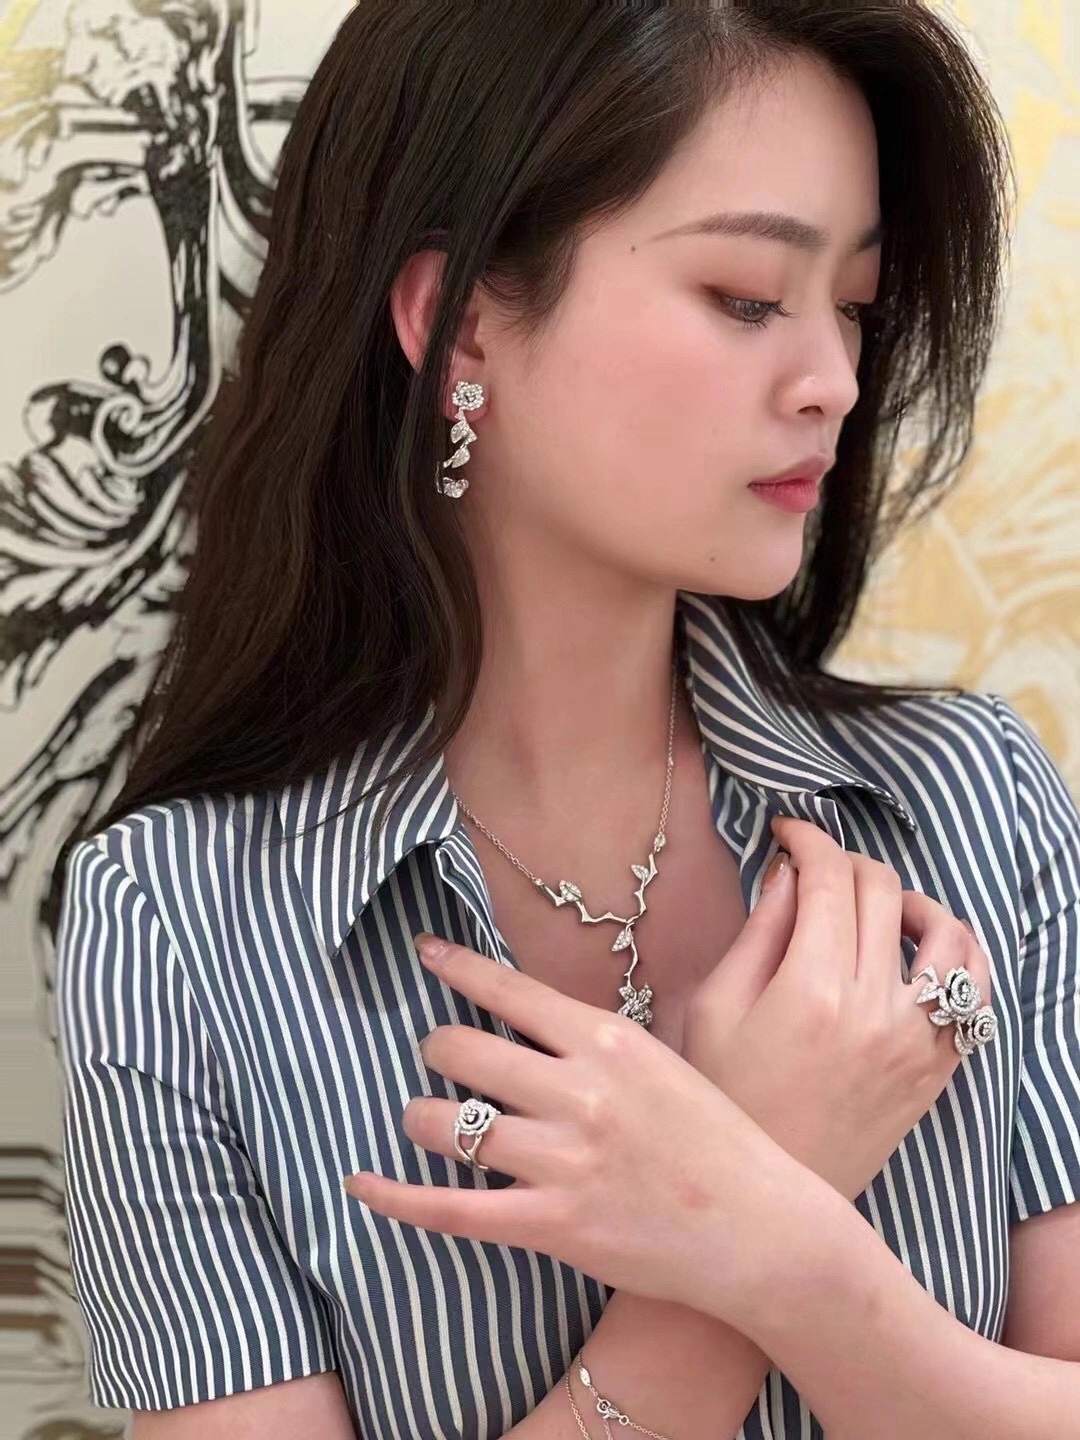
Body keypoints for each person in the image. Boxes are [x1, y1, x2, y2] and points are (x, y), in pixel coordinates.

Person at [53, 3, 1079, 1438]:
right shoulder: (177, 928)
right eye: (746, 297)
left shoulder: (974, 804)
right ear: (462, 321)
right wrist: (748, 1207)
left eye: (852, 305)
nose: (836, 382)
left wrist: (778, 1247)